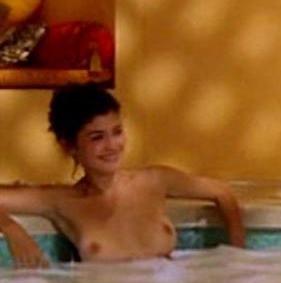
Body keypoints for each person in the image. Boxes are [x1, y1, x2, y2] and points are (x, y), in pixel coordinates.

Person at [1, 82, 245, 268]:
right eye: (97, 137)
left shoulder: (154, 181)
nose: (112, 146)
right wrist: (11, 229)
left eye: (117, 132)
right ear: (70, 146)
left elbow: (222, 193)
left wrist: (237, 258)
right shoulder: (62, 200)